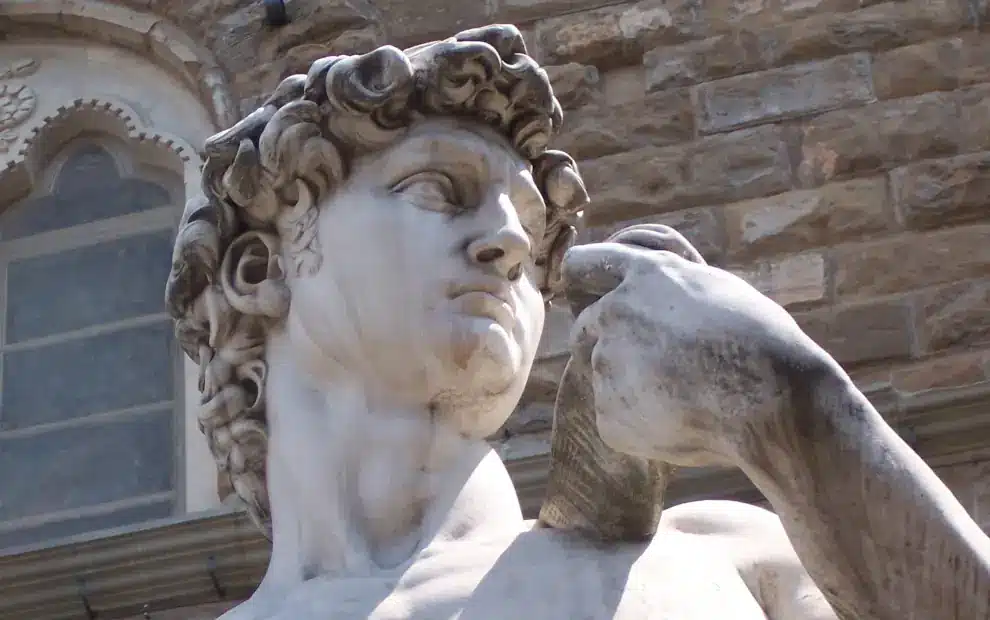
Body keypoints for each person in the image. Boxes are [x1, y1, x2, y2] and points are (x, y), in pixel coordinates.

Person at [165, 24, 990, 620]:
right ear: (262, 270)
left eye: (530, 221)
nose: (509, 242)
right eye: (436, 189)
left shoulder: (725, 557)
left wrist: (786, 399)